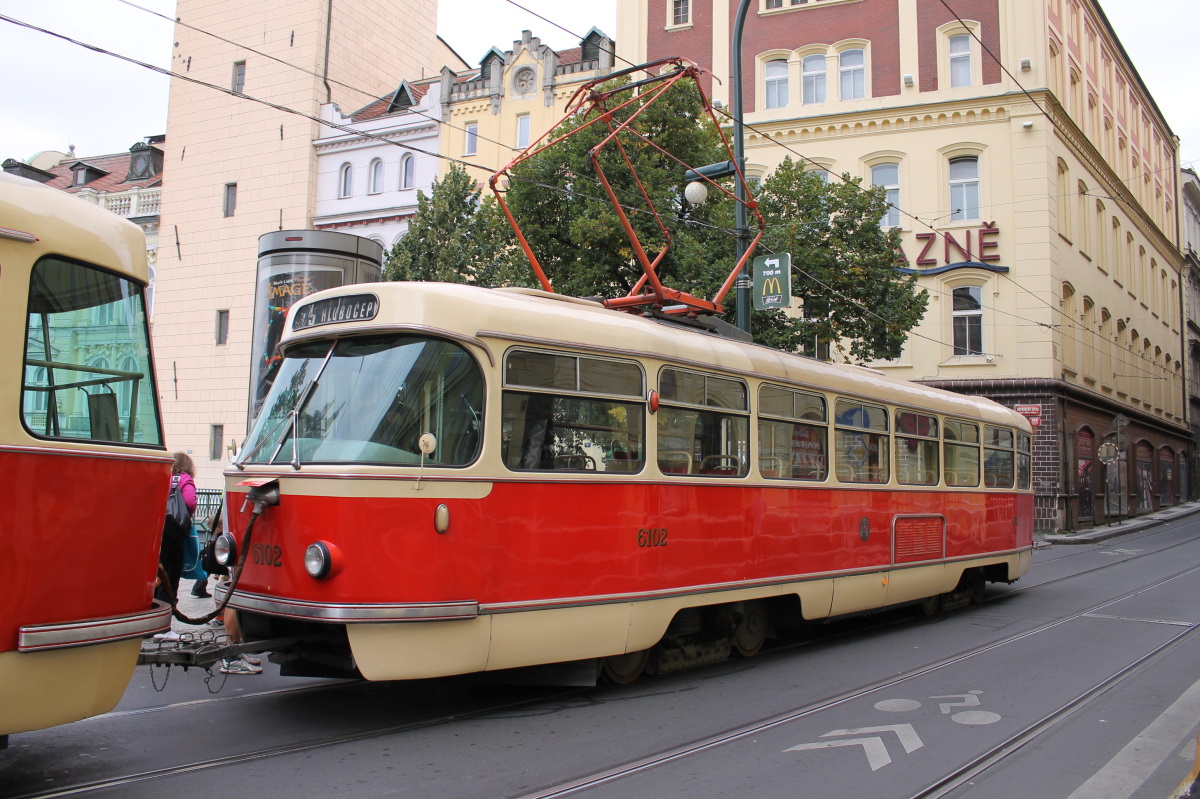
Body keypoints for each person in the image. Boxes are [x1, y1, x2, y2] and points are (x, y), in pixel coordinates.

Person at [155, 452, 197, 604]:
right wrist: (186, 514)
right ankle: (167, 606)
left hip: (158, 528)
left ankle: (154, 602)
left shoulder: (164, 477)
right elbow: (190, 501)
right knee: (171, 572)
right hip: (174, 530)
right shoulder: (184, 479)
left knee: (157, 570)